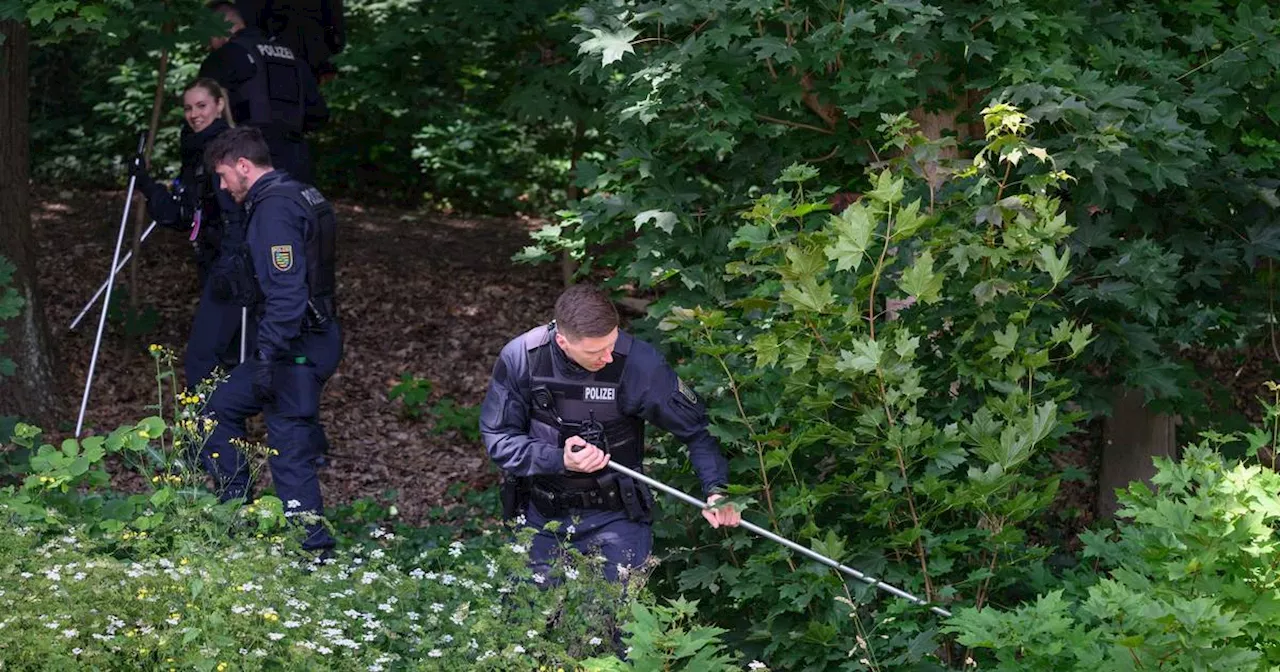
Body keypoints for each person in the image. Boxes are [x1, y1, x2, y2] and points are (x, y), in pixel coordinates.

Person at [480, 285, 741, 583]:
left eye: (611, 344)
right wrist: (558, 458)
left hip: (617, 517)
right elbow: (498, 437)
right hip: (542, 515)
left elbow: (697, 431)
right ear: (563, 341)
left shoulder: (639, 365)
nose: (608, 357)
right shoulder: (522, 358)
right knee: (529, 624)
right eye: (595, 352)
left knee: (611, 626)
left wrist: (716, 490)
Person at [199, 126, 342, 552]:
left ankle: (311, 548)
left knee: (289, 441)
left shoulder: (275, 208)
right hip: (309, 337)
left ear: (244, 166)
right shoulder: (300, 193)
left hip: (297, 344)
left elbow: (287, 293)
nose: (223, 186)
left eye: (224, 176)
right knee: (220, 407)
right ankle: (238, 514)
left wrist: (267, 355)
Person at [130, 78, 259, 389]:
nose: (194, 114)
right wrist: (148, 184)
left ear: (219, 105)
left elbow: (226, 215)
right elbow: (185, 212)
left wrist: (234, 264)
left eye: (202, 106)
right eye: (188, 108)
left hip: (234, 267)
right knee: (227, 353)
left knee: (207, 357)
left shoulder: (224, 152)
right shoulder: (199, 148)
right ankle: (227, 428)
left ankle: (212, 431)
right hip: (218, 262)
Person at [199, 0, 329, 184]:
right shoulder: (293, 57)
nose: (208, 44)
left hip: (246, 163)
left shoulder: (223, 57)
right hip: (296, 160)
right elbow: (318, 114)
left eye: (209, 35)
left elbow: (204, 120)